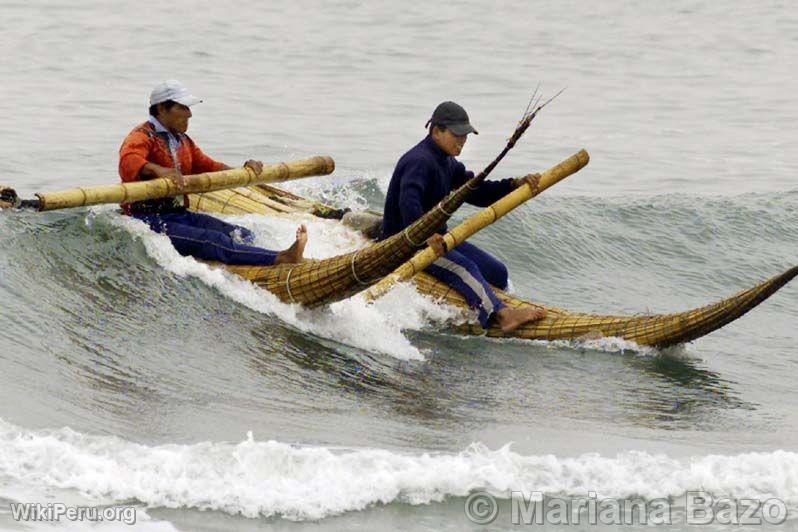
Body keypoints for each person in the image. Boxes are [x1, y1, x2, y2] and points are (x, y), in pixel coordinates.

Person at [381, 101, 546, 333]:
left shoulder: (448, 162)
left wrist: (514, 185)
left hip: (437, 238)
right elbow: (408, 202)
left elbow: (476, 192)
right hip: (408, 244)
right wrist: (425, 236)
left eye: (465, 135)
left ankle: (489, 298)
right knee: (465, 268)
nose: (462, 140)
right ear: (436, 131)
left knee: (498, 272)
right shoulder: (419, 160)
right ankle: (501, 315)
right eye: (457, 134)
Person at [118, 80, 306, 265]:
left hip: (178, 215)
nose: (189, 114)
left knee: (241, 234)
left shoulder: (182, 140)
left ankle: (259, 259)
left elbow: (209, 165)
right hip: (146, 220)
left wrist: (243, 170)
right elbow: (128, 161)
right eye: (183, 108)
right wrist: (158, 170)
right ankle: (281, 258)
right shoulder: (142, 135)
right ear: (161, 109)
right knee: (212, 239)